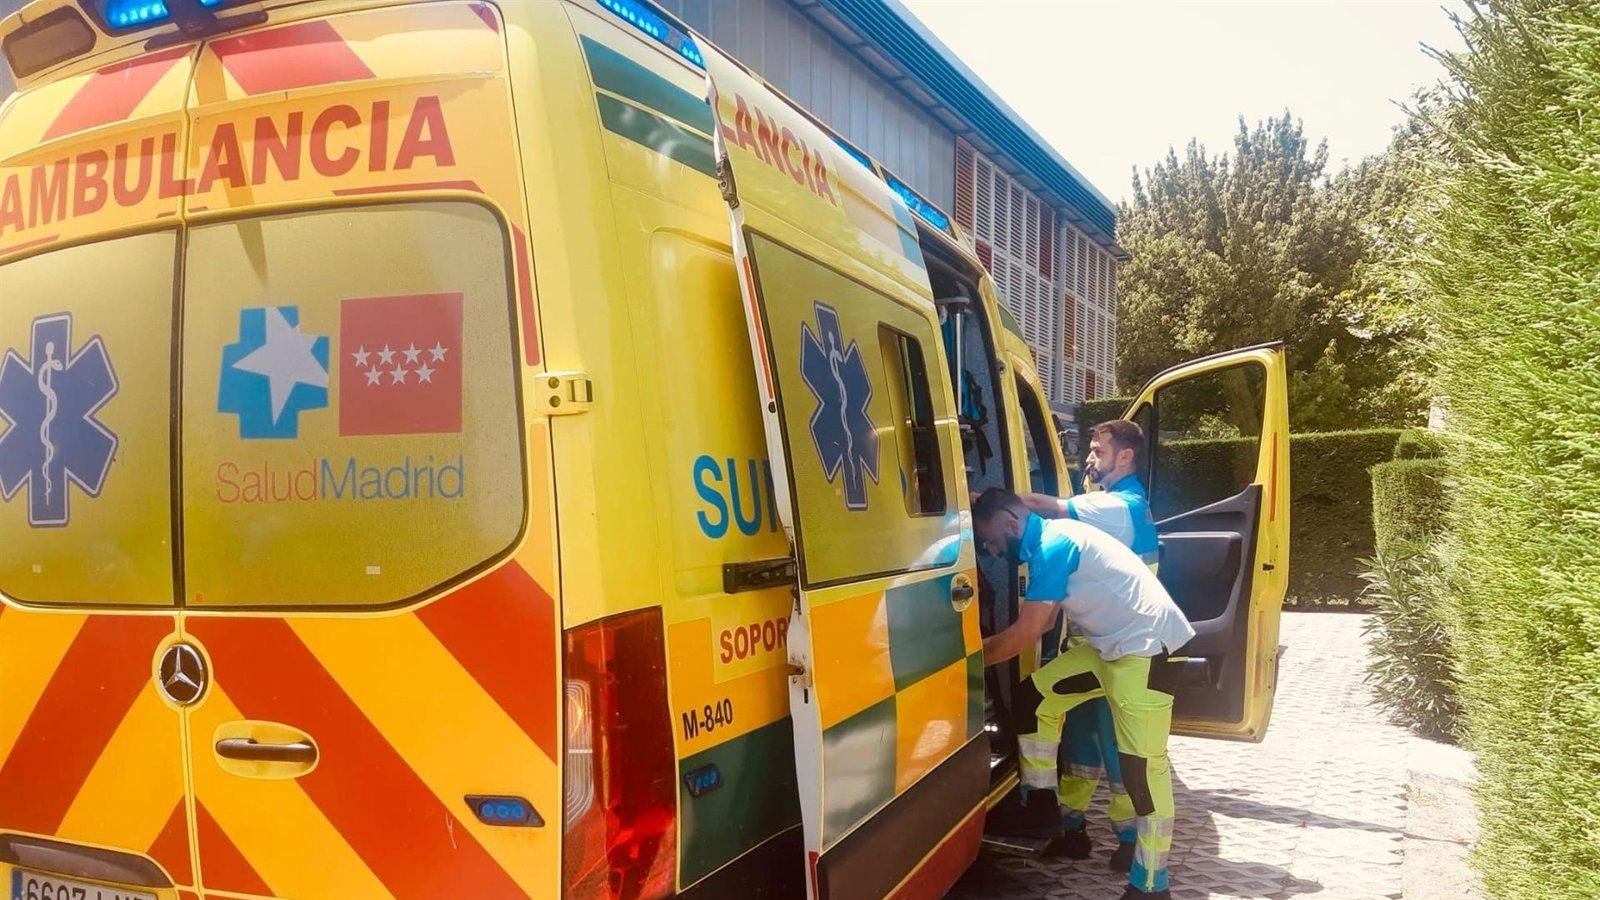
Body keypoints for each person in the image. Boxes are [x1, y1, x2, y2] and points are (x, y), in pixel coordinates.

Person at [976, 487, 1193, 900]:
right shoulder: (1049, 542)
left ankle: (1151, 884)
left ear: (1009, 522)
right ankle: (1042, 811)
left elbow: (1029, 630)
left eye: (992, 540)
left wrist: (960, 662)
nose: (992, 550)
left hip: (1149, 651)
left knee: (1142, 772)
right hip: (1111, 648)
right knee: (1035, 698)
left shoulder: (1056, 544)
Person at [1018, 420, 1160, 868]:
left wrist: (980, 500)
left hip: (1120, 650)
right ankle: (1073, 830)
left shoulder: (1120, 506)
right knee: (1080, 745)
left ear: (1125, 457)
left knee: (1117, 748)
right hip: (1093, 646)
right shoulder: (1119, 504)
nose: (1089, 459)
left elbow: (1046, 506)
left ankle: (1129, 840)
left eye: (1098, 451)